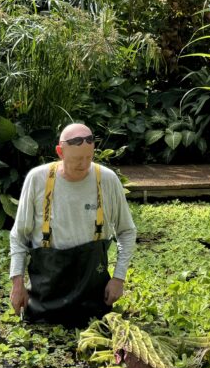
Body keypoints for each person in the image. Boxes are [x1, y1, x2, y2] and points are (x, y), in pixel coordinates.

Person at [9, 123, 137, 327]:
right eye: (77, 159)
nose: (84, 164)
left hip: (93, 298)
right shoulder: (37, 179)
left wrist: (119, 278)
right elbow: (19, 236)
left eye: (89, 157)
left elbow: (127, 231)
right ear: (60, 152)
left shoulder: (107, 179)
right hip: (45, 297)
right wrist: (17, 283)